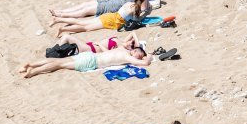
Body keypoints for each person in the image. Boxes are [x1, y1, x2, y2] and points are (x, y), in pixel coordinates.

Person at [19, 45, 152, 79]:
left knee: (59, 60)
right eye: (139, 55)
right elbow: (145, 64)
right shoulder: (127, 56)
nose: (138, 58)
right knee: (60, 64)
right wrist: (149, 57)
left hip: (90, 55)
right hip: (91, 62)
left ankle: (31, 64)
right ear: (135, 52)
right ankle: (33, 72)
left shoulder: (122, 48)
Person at [51, 0, 149, 36]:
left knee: (83, 23)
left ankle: (59, 20)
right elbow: (136, 20)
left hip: (109, 16)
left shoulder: (129, 3)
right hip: (111, 21)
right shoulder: (136, 9)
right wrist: (144, 13)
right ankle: (62, 27)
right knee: (86, 27)